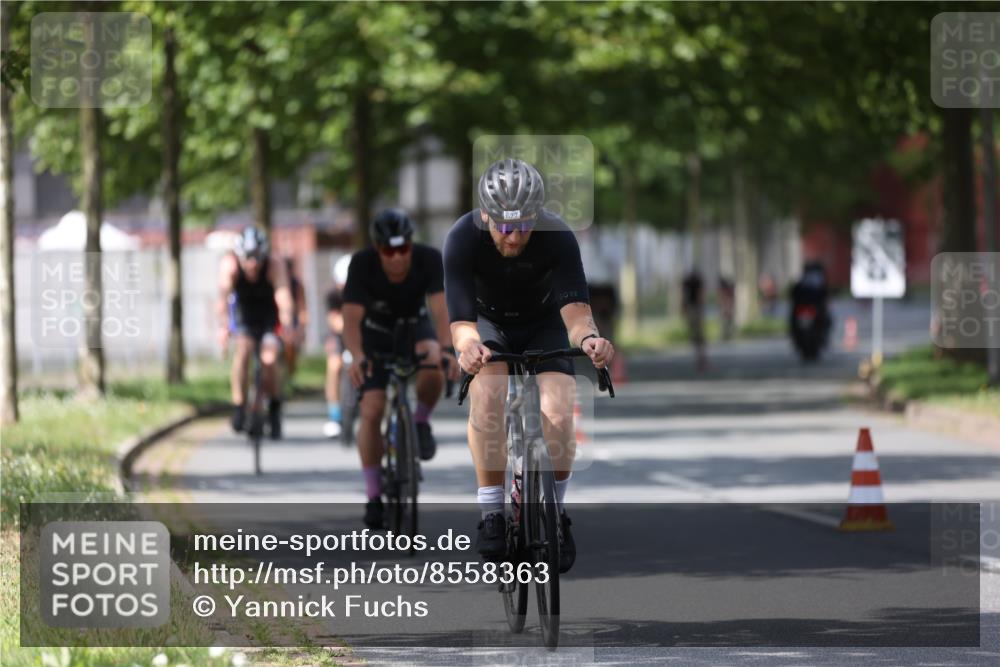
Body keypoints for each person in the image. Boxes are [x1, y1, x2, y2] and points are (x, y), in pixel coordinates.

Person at [443, 158, 615, 574]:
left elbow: (575, 313)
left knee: (558, 410)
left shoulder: (557, 237)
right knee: (488, 392)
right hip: (488, 323)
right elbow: (462, 323)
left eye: (524, 225)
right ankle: (491, 513)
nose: (514, 235)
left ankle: (555, 513)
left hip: (544, 324)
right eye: (503, 225)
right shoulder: (462, 238)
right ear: (485, 215)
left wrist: (590, 340)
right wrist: (468, 349)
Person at [342, 209, 459, 529]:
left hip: (413, 328)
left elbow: (440, 309)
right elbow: (350, 320)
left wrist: (448, 350)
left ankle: (420, 422)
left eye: (403, 249)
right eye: (388, 251)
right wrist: (356, 355)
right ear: (378, 248)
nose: (396, 258)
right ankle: (373, 496)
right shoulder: (362, 264)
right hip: (375, 336)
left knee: (433, 358)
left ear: (411, 244)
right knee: (372, 408)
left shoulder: (429, 259)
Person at [217, 226, 294, 439]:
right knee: (242, 352)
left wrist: (287, 323)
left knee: (269, 359)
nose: (253, 264)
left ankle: (275, 408)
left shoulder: (274, 265)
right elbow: (222, 299)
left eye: (257, 258)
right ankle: (240, 407)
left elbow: (283, 296)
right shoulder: (230, 266)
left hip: (269, 316)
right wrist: (223, 327)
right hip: (244, 316)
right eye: (248, 259)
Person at [323, 254, 352, 439]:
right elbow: (334, 320)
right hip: (341, 336)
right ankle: (334, 414)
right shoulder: (333, 295)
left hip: (365, 335)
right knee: (334, 365)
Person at [282, 257, 308, 382]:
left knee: (290, 346)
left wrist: (301, 328)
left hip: (292, 321)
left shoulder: (296, 285)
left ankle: (289, 377)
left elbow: (302, 307)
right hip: (275, 321)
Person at [682, 269, 708, 371]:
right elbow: (700, 294)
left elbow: (700, 294)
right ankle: (701, 356)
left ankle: (701, 356)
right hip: (694, 308)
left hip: (694, 308)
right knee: (696, 333)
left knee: (698, 333)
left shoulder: (691, 280)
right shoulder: (690, 280)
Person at [717, 275, 735, 341]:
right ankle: (726, 334)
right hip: (726, 307)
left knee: (726, 321)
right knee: (725, 322)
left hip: (726, 307)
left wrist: (727, 307)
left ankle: (727, 334)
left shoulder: (726, 290)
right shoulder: (726, 290)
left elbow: (726, 299)